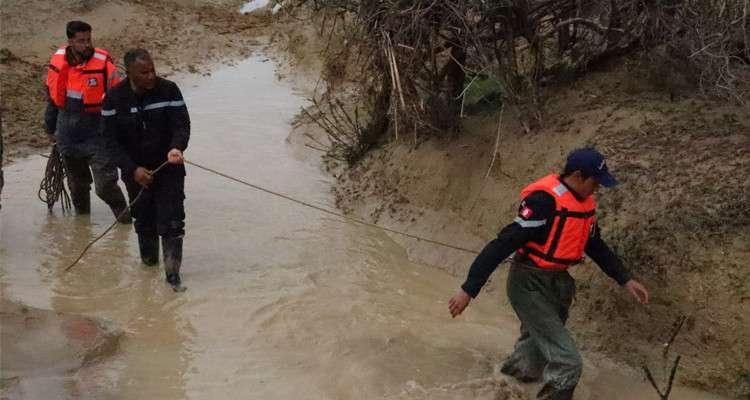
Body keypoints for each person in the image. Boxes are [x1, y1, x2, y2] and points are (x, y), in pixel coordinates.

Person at [448, 148, 650, 400]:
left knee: (533, 357)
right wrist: (469, 289)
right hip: (528, 284)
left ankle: (503, 383)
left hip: (558, 285)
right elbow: (502, 244)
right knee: (568, 363)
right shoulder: (543, 202)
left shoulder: (584, 205)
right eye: (595, 182)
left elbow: (595, 245)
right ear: (578, 175)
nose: (597, 188)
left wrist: (625, 279)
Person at [101, 48, 190, 292]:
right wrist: (132, 169)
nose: (151, 76)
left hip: (169, 167)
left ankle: (173, 277)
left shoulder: (169, 90)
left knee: (173, 222)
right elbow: (110, 141)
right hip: (136, 174)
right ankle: (149, 267)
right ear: (128, 72)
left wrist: (176, 148)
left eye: (153, 70)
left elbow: (181, 125)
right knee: (145, 221)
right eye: (144, 72)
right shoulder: (113, 98)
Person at [44, 20, 129, 221]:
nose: (87, 45)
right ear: (71, 41)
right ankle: (83, 224)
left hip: (98, 137)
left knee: (105, 186)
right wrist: (50, 129)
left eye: (89, 40)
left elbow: (121, 101)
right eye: (81, 41)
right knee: (77, 185)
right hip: (68, 137)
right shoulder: (59, 65)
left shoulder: (104, 66)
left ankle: (125, 220)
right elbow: (53, 101)